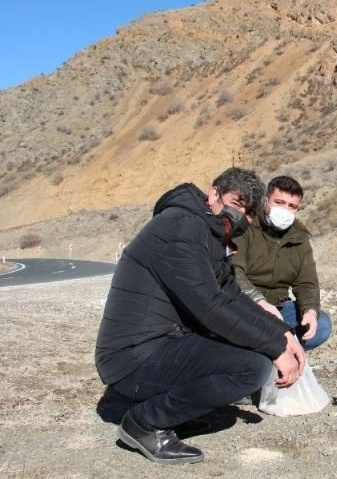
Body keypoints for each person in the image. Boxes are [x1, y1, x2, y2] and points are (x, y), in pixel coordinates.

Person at [95, 167, 304, 465]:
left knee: (251, 346)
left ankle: (177, 413)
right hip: (132, 360)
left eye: (247, 212)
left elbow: (231, 295)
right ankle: (144, 423)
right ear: (213, 194)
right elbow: (209, 305)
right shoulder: (180, 228)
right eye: (236, 203)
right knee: (252, 366)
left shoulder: (207, 233)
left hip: (158, 346)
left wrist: (282, 333)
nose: (239, 216)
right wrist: (274, 349)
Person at [232, 175, 332, 350]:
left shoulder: (299, 237)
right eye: (279, 202)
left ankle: (274, 351)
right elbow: (234, 270)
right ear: (266, 200)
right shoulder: (247, 225)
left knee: (322, 325)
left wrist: (310, 310)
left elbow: (306, 282)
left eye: (292, 206)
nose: (285, 210)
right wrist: (259, 302)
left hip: (278, 307)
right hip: (244, 305)